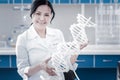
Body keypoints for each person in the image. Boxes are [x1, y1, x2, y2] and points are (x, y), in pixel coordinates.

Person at [16, 0, 88, 80]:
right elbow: (23, 71)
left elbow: (67, 64)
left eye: (46, 15)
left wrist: (76, 49)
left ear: (51, 16)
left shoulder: (57, 34)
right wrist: (40, 66)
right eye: (38, 14)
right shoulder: (23, 38)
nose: (42, 18)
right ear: (32, 14)